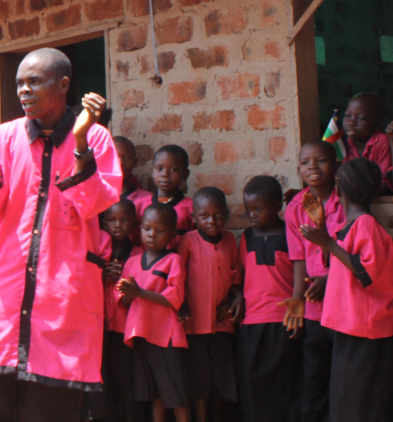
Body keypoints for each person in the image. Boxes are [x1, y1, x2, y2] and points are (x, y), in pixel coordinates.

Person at [0, 47, 121, 420]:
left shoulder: (95, 137)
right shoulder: (5, 135)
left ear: (63, 85)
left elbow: (93, 202)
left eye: (34, 82)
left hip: (61, 304)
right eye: (20, 83)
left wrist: (79, 143)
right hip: (1, 301)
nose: (24, 91)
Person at [299, 158, 393, 422]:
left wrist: (328, 242)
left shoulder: (366, 224)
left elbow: (366, 273)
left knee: (362, 401)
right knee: (347, 397)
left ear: (339, 188)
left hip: (366, 328)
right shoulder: (349, 225)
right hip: (350, 325)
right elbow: (341, 265)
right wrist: (322, 232)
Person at [284, 141, 344, 422]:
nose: (313, 167)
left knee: (343, 376)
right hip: (314, 307)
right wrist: (298, 298)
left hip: (344, 305)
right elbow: (298, 258)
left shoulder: (346, 201)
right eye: (305, 162)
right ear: (299, 168)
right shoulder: (295, 207)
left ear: (336, 166)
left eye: (321, 160)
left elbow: (353, 254)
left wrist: (329, 279)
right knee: (314, 376)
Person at [236, 175, 301, 422]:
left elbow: (300, 274)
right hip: (252, 323)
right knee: (252, 383)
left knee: (285, 383)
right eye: (248, 209)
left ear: (277, 206)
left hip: (284, 321)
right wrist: (237, 296)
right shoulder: (247, 237)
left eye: (258, 209)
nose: (252, 214)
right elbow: (241, 275)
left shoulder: (290, 234)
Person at [118, 203, 189, 422]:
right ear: (140, 229)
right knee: (156, 392)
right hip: (141, 334)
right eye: (147, 228)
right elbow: (124, 301)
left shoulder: (173, 260)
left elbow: (175, 298)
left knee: (175, 393)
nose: (152, 234)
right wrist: (130, 293)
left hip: (165, 336)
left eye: (160, 230)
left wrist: (140, 292)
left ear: (172, 234)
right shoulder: (132, 262)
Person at [177, 187, 240, 421]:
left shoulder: (230, 240)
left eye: (218, 215)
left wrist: (236, 299)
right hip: (194, 325)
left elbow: (234, 277)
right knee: (199, 383)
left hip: (220, 323)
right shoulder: (188, 241)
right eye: (204, 216)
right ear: (194, 217)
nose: (212, 221)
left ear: (226, 214)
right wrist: (181, 302)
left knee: (221, 381)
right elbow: (177, 276)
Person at [97, 199, 141, 422]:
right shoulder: (99, 252)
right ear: (104, 223)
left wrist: (124, 276)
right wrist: (102, 275)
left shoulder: (140, 253)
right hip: (101, 326)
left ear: (135, 223)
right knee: (104, 378)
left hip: (128, 329)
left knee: (127, 379)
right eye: (112, 220)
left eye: (125, 220)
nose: (118, 225)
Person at [132, 145, 194, 245]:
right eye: (160, 168)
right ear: (152, 172)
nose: (165, 174)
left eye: (174, 170)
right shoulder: (139, 205)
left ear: (185, 174)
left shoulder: (191, 208)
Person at [342, 92, 392, 185]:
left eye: (361, 118)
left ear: (378, 123)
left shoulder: (382, 141)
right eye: (348, 115)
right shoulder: (343, 145)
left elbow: (384, 182)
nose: (351, 122)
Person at [114, 136, 147, 205]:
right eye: (115, 157)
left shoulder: (146, 200)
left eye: (127, 158)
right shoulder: (96, 197)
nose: (121, 163)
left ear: (135, 162)